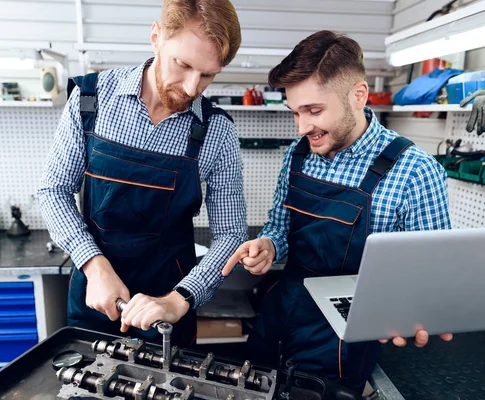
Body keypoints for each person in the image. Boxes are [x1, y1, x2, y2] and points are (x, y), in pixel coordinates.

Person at [222, 30, 453, 394]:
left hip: (345, 337)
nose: (302, 127)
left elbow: (433, 273)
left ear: (358, 95)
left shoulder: (414, 171)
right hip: (282, 313)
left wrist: (417, 311)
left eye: (313, 111)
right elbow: (280, 228)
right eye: (295, 112)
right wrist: (268, 243)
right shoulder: (297, 155)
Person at [38, 0, 247, 347]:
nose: (193, 88)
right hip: (95, 296)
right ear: (156, 37)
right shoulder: (91, 101)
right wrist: (94, 266)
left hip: (167, 309)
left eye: (208, 74)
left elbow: (231, 234)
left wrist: (179, 300)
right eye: (183, 65)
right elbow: (54, 189)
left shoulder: (217, 133)